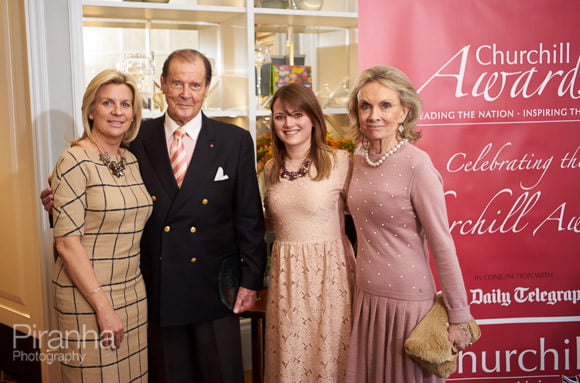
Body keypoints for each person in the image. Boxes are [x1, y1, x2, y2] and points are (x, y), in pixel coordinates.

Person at [42, 49, 266, 383]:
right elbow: (105, 199)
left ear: (207, 88)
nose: (185, 93)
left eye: (195, 84)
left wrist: (251, 280)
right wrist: (59, 204)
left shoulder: (234, 140)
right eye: (177, 82)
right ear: (162, 84)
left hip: (216, 287)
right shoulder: (134, 138)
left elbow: (248, 216)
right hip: (158, 286)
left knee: (222, 373)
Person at [344, 65, 472, 383]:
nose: (374, 115)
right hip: (366, 300)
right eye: (366, 105)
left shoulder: (418, 165)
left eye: (385, 105)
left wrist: (459, 316)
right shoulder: (356, 160)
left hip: (408, 305)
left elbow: (442, 243)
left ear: (404, 112)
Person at [50, 69, 152, 382]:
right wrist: (103, 307)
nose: (117, 112)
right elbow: (66, 242)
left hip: (133, 291)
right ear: (91, 110)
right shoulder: (75, 159)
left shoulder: (131, 160)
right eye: (108, 103)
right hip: (88, 296)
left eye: (125, 104)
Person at [262, 83, 356, 382]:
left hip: (330, 276)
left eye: (297, 114)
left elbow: (366, 219)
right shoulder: (269, 169)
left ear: (313, 118)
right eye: (280, 116)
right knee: (290, 356)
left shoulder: (339, 162)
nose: (288, 123)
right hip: (287, 276)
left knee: (330, 355)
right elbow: (271, 222)